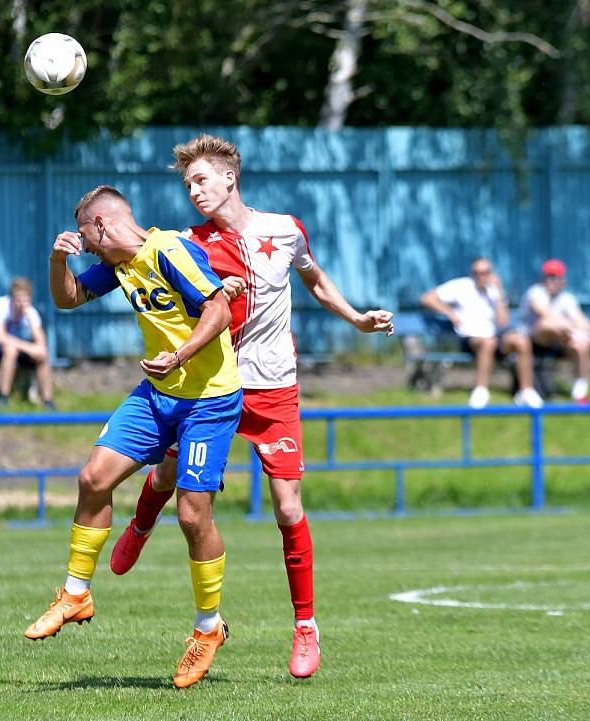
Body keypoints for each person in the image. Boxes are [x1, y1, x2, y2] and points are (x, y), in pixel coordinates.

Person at [107, 134, 395, 679]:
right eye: (187, 183)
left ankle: (306, 627)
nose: (193, 191)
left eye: (201, 180)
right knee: (167, 473)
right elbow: (178, 294)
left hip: (275, 389)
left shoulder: (284, 230)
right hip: (214, 384)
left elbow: (314, 279)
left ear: (229, 179)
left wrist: (356, 317)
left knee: (288, 508)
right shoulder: (187, 243)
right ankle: (140, 528)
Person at [24, 185, 243, 690]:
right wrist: (58, 261)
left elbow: (219, 309)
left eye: (84, 235)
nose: (86, 245)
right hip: (158, 393)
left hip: (209, 398)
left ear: (102, 225)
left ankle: (208, 629)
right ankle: (76, 593)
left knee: (192, 514)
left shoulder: (168, 251)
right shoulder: (121, 265)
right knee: (93, 478)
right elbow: (69, 299)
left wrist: (180, 355)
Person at [420, 258, 543, 409]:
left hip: (495, 336)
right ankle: (481, 391)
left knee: (521, 341)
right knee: (487, 342)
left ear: (491, 273)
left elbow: (503, 322)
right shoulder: (460, 286)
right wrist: (450, 313)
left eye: (485, 272)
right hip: (470, 338)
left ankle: (526, 391)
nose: (481, 276)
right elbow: (427, 298)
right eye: (477, 273)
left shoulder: (494, 292)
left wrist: (499, 295)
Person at [518, 258, 590, 403]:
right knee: (548, 324)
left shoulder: (567, 298)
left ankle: (580, 392)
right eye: (549, 276)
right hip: (531, 341)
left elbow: (580, 318)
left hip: (560, 341)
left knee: (578, 346)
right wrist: (577, 331)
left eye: (555, 277)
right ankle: (525, 392)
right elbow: (546, 316)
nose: (552, 281)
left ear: (563, 280)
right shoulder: (535, 292)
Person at [0, 276, 56, 409]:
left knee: (42, 355)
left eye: (25, 299)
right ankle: (3, 398)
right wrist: (30, 348)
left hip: (19, 349)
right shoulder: (1, 305)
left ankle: (48, 401)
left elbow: (41, 344)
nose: (22, 303)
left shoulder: (31, 312)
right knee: (10, 349)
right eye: (18, 299)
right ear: (12, 297)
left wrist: (30, 319)